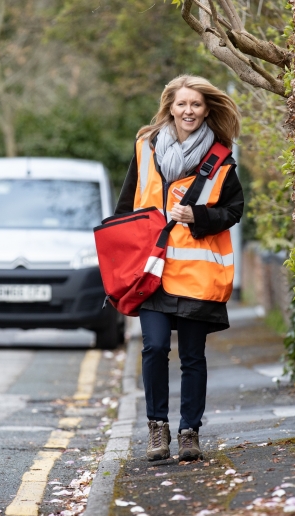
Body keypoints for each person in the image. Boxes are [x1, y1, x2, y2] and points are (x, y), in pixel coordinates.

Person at [114, 74, 243, 462]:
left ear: (207, 110)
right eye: (182, 103)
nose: (189, 111)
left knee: (192, 356)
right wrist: (120, 258)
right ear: (170, 105)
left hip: (196, 275)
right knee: (153, 348)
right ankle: (157, 428)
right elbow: (125, 209)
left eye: (197, 105)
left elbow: (233, 211)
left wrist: (198, 215)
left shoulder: (221, 157)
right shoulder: (145, 148)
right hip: (151, 271)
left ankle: (189, 432)